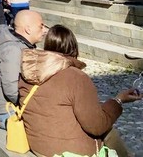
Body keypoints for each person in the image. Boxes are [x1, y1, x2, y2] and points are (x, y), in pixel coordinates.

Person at [19, 25, 140, 156]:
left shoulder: (28, 72)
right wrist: (118, 100)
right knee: (109, 132)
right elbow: (97, 126)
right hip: (70, 153)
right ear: (74, 49)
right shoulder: (76, 77)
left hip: (40, 147)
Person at [0, 9, 47, 129]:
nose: (44, 30)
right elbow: (11, 89)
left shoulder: (20, 45)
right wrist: (36, 104)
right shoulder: (12, 50)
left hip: (13, 106)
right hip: (5, 112)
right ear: (28, 29)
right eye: (41, 26)